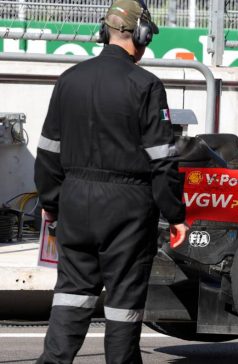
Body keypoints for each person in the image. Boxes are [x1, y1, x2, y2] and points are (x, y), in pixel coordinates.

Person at [34, 0, 189, 362]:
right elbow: (162, 159)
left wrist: (51, 203)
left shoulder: (68, 79)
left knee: (71, 295)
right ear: (142, 35)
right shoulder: (146, 85)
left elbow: (48, 152)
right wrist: (176, 214)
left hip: (73, 201)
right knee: (123, 304)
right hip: (127, 208)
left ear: (104, 32)